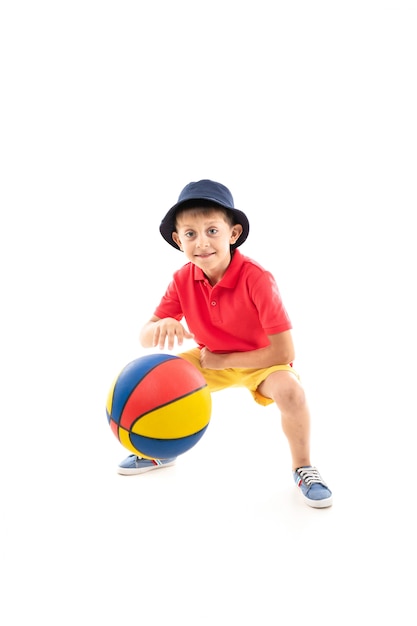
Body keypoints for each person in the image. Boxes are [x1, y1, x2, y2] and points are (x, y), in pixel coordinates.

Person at [118, 179, 333, 508]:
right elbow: (145, 335)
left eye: (212, 231)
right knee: (152, 379)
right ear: (178, 240)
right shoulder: (182, 279)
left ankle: (303, 467)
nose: (201, 242)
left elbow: (285, 352)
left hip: (262, 362)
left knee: (292, 392)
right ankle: (158, 450)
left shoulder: (257, 278)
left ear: (232, 234)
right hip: (210, 358)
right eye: (190, 234)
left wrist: (224, 360)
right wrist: (163, 323)